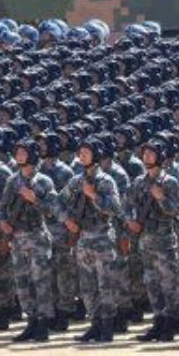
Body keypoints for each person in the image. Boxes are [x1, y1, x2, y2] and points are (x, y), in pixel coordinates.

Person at [60, 138, 122, 343]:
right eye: (80, 152)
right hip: (83, 239)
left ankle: (107, 326)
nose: (82, 155)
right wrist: (67, 221)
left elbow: (115, 209)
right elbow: (58, 201)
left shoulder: (106, 180)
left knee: (106, 285)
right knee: (87, 287)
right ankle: (95, 324)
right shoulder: (76, 181)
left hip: (102, 238)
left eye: (86, 152)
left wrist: (94, 195)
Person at [127, 139, 179, 342]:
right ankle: (158, 320)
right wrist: (131, 221)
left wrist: (161, 198)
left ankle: (172, 321)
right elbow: (128, 206)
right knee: (151, 283)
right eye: (145, 154)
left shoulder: (170, 182)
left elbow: (178, 209)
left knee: (169, 282)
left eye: (151, 154)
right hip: (145, 240)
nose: (147, 157)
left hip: (164, 240)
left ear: (160, 157)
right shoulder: (138, 182)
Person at [0, 139, 56, 342]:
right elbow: (2, 208)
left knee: (40, 282)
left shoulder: (44, 181)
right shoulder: (12, 181)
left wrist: (34, 200)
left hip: (37, 237)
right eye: (17, 152)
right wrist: (3, 223)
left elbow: (52, 210)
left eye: (23, 152)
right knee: (22, 283)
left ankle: (43, 324)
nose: (18, 155)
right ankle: (31, 321)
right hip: (18, 238)